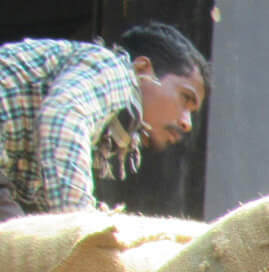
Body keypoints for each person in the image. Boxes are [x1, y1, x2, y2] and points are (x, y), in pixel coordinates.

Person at [0, 20, 209, 221]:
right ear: (142, 68)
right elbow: (65, 116)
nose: (186, 123)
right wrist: (81, 231)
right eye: (185, 98)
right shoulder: (113, 69)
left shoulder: (102, 131)